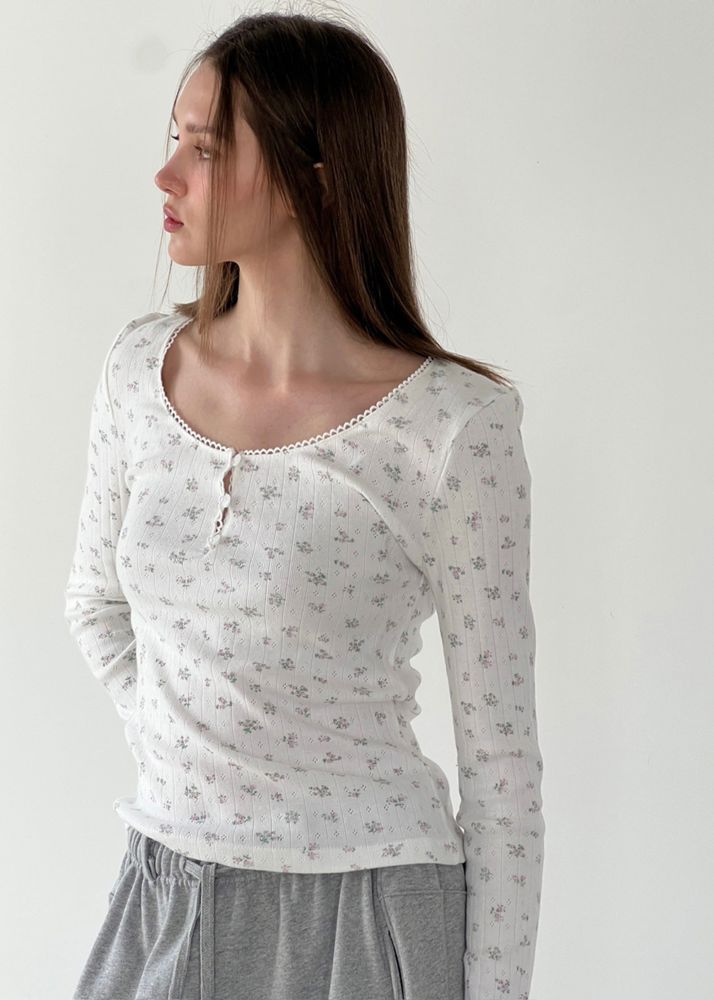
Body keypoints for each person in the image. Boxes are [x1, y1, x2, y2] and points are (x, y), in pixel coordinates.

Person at [64, 12, 545, 1000]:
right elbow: (94, 604)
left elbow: (502, 770)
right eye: (175, 139)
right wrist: (190, 758)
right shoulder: (138, 371)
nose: (167, 175)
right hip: (166, 893)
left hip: (366, 917)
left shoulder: (453, 427)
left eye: (206, 150)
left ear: (314, 174)